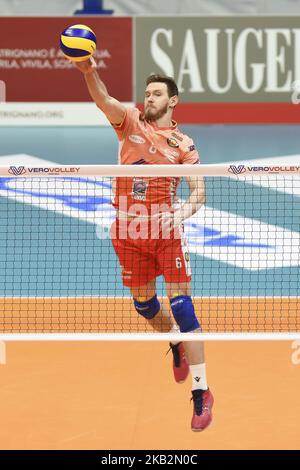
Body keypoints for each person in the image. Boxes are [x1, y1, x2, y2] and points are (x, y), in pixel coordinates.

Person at [75, 57, 214, 432]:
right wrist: (90, 72)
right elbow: (104, 100)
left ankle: (202, 392)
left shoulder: (183, 144)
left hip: (165, 231)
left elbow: (199, 190)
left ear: (173, 101)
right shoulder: (129, 122)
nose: (148, 98)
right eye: (147, 93)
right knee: (145, 306)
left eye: (156, 94)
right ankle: (175, 341)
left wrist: (183, 213)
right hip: (127, 231)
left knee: (183, 306)